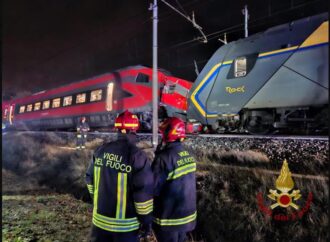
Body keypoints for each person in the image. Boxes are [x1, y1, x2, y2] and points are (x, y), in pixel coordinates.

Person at [85, 110, 153, 242]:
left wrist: (97, 200)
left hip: (99, 223)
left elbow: (89, 179)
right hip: (125, 229)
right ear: (135, 129)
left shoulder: (101, 150)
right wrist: (146, 222)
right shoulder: (137, 156)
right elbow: (143, 195)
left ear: (116, 128)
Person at [152, 117, 197, 242]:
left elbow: (153, 188)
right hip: (187, 218)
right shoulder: (189, 155)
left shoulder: (163, 158)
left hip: (169, 220)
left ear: (167, 134)